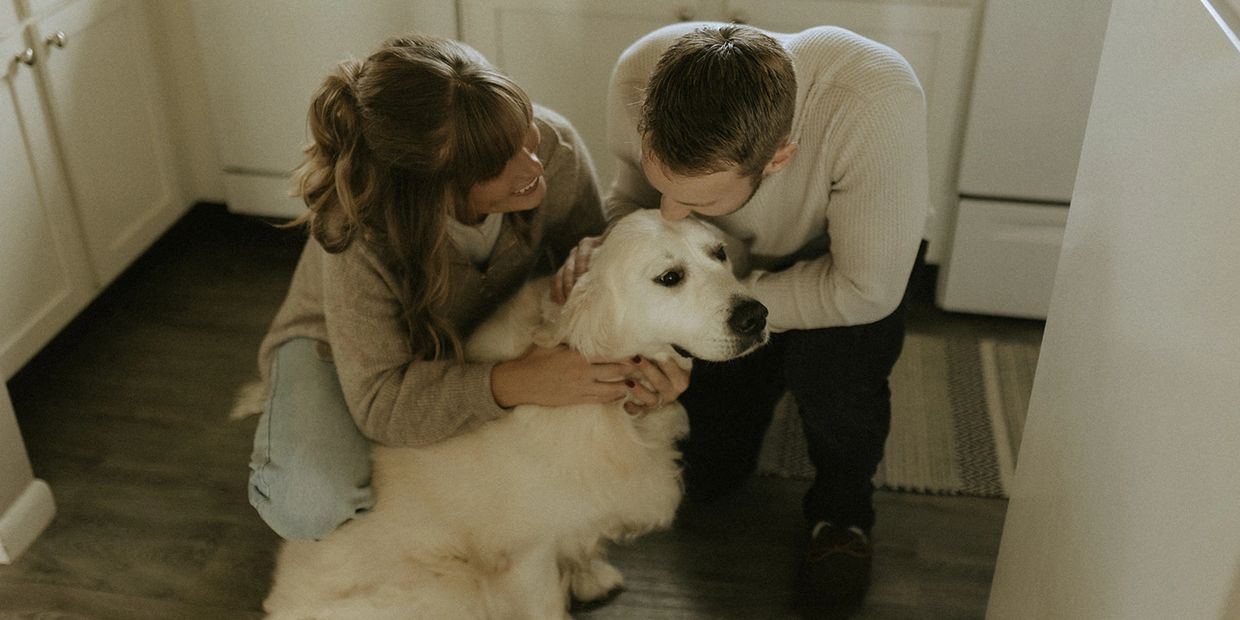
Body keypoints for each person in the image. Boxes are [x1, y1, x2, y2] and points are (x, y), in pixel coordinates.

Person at [245, 34, 690, 542]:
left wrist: (648, 375)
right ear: (428, 187)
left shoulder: (554, 145)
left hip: (480, 329)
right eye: (496, 165)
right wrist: (517, 381)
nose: (533, 165)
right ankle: (282, 414)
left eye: (523, 135)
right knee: (308, 502)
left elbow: (601, 281)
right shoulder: (358, 236)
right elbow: (383, 405)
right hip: (340, 345)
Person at [555, 23, 929, 609]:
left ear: (779, 158)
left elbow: (867, 289)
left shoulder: (874, 100)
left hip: (850, 267)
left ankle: (841, 516)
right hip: (722, 280)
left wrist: (741, 307)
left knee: (835, 387)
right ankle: (764, 372)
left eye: (698, 202)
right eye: (666, 186)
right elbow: (636, 203)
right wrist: (608, 251)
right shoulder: (636, 74)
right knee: (709, 480)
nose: (672, 210)